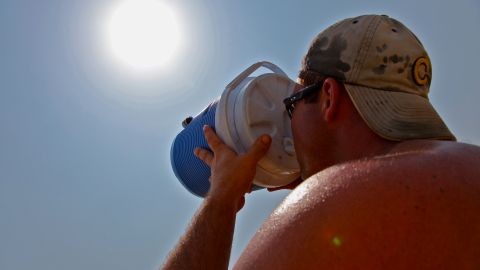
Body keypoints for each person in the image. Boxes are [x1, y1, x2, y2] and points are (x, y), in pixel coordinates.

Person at [161, 14, 480, 269]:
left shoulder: (334, 203)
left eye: (294, 101)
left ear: (328, 97)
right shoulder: (467, 167)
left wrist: (221, 201)